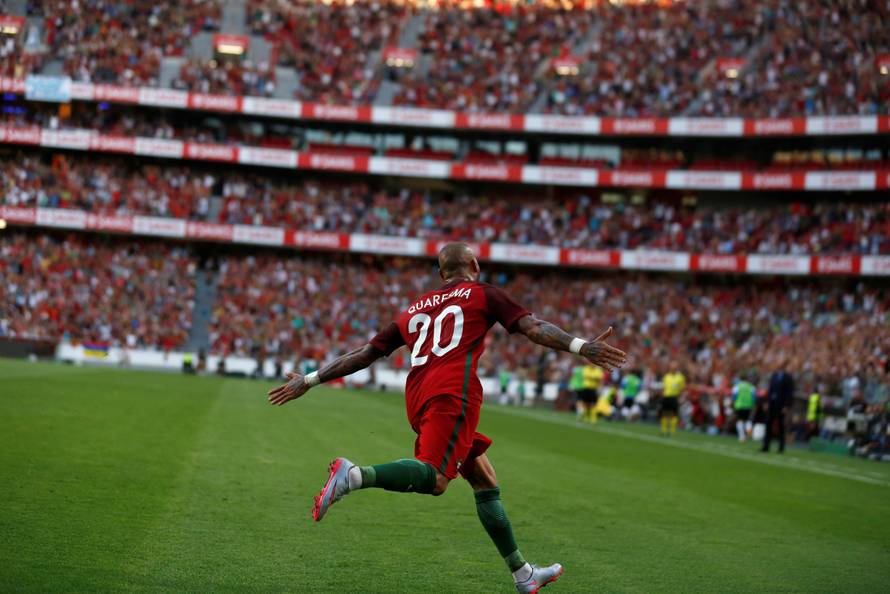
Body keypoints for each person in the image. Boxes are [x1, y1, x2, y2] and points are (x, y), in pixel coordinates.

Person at [267, 243, 627, 593]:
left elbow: (365, 353)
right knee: (437, 479)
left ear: (441, 274)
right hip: (453, 393)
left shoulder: (414, 309)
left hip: (419, 394)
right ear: (475, 267)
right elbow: (532, 328)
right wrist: (582, 346)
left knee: (483, 478)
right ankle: (354, 475)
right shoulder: (483, 293)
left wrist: (310, 380)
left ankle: (523, 574)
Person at [762, 364, 794, 453]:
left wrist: (786, 406)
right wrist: (767, 402)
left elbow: (789, 392)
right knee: (768, 424)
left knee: (781, 426)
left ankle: (781, 447)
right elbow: (770, 389)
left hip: (781, 405)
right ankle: (766, 446)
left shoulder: (788, 378)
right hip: (772, 403)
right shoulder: (774, 375)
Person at [660, 362, 685, 436]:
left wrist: (680, 398)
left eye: (674, 367)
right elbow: (664, 387)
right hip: (666, 396)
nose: (673, 368)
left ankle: (672, 431)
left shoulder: (680, 377)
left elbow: (682, 388)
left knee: (674, 414)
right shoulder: (666, 376)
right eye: (671, 367)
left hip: (674, 397)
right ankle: (664, 430)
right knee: (665, 413)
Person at [732, 375, 756, 442]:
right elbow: (754, 398)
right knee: (748, 420)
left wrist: (733, 404)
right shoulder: (751, 387)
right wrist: (753, 405)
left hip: (739, 405)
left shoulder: (737, 386)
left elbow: (734, 396)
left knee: (740, 420)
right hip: (748, 405)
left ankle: (742, 437)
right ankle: (749, 430)